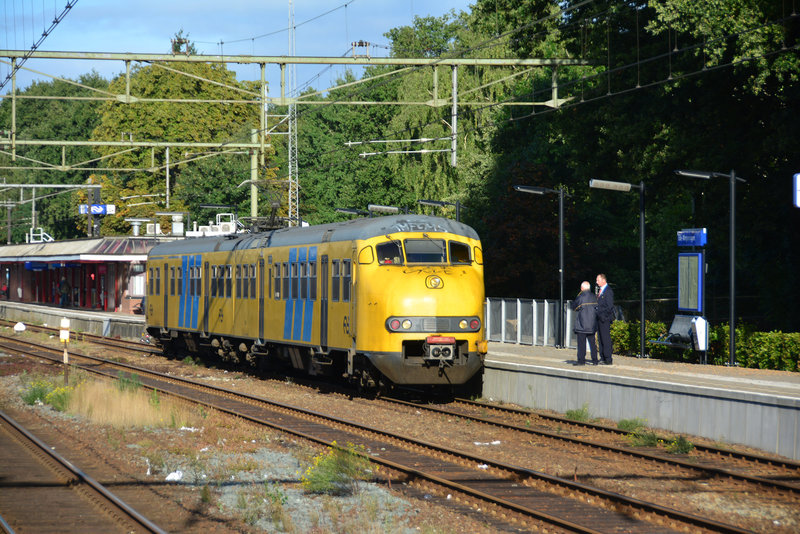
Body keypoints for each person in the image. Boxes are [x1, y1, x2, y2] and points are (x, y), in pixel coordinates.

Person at [571, 281, 598, 365]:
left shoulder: (580, 297)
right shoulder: (594, 297)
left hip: (582, 325)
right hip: (592, 324)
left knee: (581, 344)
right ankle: (595, 360)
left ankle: (581, 361)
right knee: (592, 344)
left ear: (582, 288)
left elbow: (574, 307)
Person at [595, 273, 615, 365]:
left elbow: (609, 306)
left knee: (605, 338)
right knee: (600, 338)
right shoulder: (600, 290)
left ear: (603, 280)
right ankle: (602, 357)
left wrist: (603, 315)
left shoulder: (608, 291)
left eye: (598, 280)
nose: (596, 282)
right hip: (599, 318)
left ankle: (608, 358)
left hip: (604, 318)